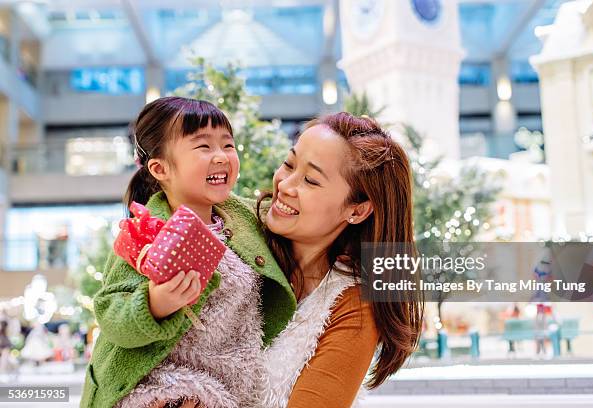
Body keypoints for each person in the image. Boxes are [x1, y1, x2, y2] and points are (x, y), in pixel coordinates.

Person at [80, 97, 295, 408]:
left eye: (228, 145)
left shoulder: (246, 219)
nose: (221, 157)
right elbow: (110, 311)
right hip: (161, 386)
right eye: (203, 147)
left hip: (234, 386)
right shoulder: (145, 233)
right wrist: (153, 305)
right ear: (160, 168)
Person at [257, 112, 424, 407]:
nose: (284, 185)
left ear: (357, 210)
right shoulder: (233, 232)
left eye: (310, 180)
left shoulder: (354, 303)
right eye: (289, 164)